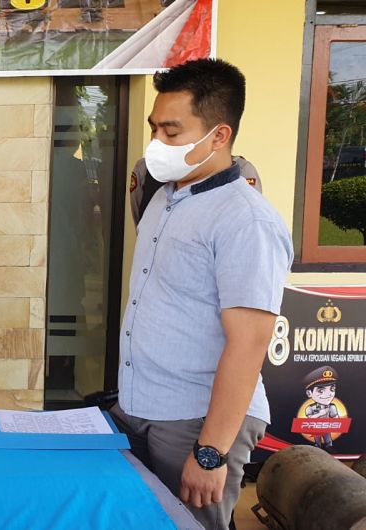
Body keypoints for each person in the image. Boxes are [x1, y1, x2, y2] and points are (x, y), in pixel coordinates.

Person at [109, 58, 293, 530]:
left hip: (195, 421)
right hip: (142, 408)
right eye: (154, 129)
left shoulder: (244, 220)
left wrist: (211, 452)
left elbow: (249, 343)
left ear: (218, 135)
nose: (156, 144)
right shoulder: (166, 197)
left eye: (171, 133)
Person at [129, 155, 263, 226]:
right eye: (154, 129)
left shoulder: (241, 170)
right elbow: (141, 223)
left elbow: (243, 228)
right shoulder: (146, 169)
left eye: (171, 131)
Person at [303, 366, 340, 449]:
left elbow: (337, 421)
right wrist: (320, 413)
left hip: (326, 428)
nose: (329, 394)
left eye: (332, 389)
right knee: (317, 445)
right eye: (321, 391)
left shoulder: (332, 407)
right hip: (316, 430)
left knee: (328, 443)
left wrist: (334, 420)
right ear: (309, 393)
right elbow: (308, 420)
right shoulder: (310, 408)